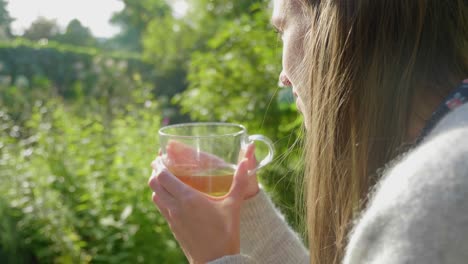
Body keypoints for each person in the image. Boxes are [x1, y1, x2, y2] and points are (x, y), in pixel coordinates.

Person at [148, 0, 468, 263]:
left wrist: (215, 258)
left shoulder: (431, 200)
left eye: (281, 30)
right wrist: (248, 213)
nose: (283, 78)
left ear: (331, 24)